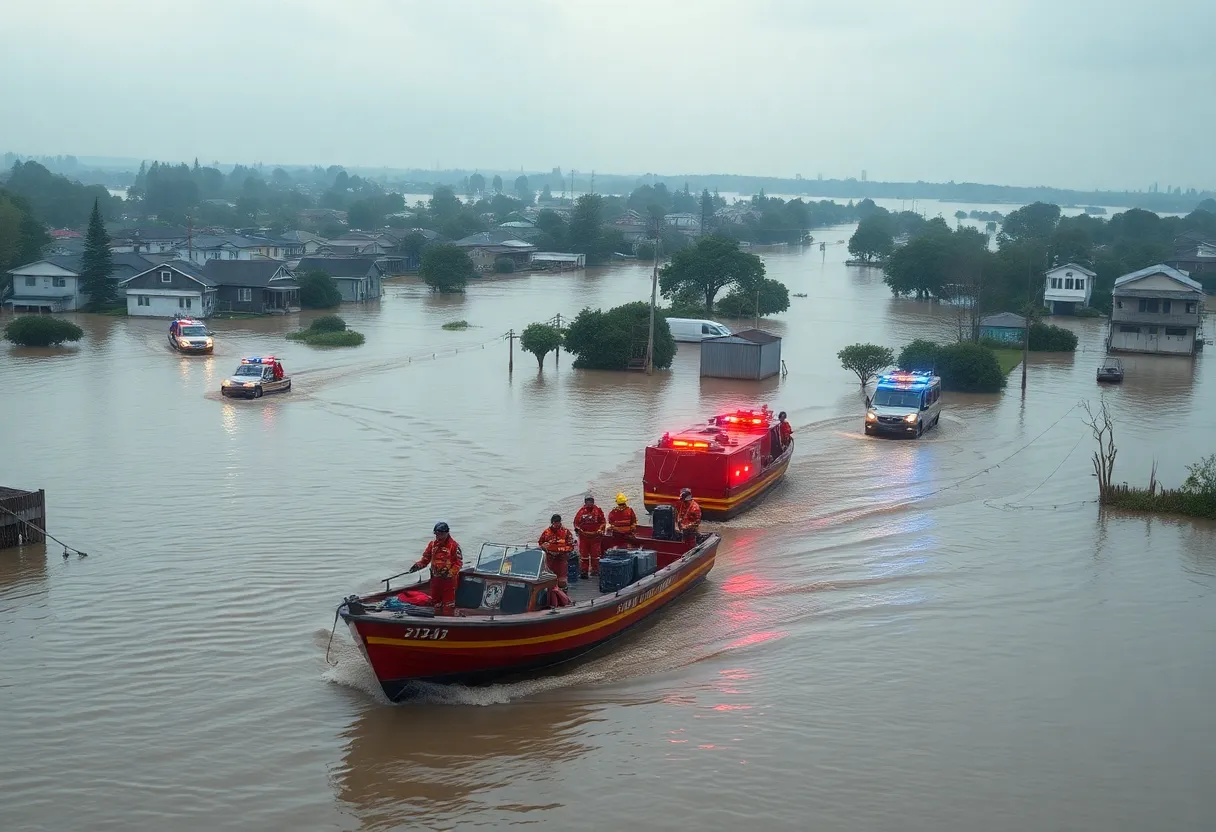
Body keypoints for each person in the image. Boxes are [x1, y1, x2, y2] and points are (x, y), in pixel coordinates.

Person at [408, 522, 463, 616]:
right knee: (435, 603)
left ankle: (448, 622)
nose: (438, 536)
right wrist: (418, 566)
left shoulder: (454, 546)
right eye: (437, 534)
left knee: (448, 605)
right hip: (435, 579)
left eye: (441, 534)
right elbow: (425, 559)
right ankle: (436, 620)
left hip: (449, 581)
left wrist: (450, 572)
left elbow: (458, 563)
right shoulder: (432, 545)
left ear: (447, 533)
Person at [573, 494, 607, 579]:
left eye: (591, 501)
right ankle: (584, 571)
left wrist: (600, 529)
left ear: (593, 501)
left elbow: (603, 522)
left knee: (595, 555)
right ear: (585, 502)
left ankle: (595, 571)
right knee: (584, 555)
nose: (589, 503)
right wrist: (578, 530)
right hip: (584, 537)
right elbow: (576, 523)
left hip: (595, 537)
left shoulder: (598, 511)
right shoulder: (581, 511)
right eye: (588, 501)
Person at [538, 513, 575, 590]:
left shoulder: (566, 532)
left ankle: (563, 595)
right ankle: (549, 596)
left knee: (562, 581)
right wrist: (544, 547)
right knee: (549, 580)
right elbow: (540, 543)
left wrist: (561, 550)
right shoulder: (546, 532)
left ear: (560, 522)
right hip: (549, 559)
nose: (556, 524)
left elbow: (571, 546)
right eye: (554, 522)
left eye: (558, 522)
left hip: (561, 559)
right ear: (552, 522)